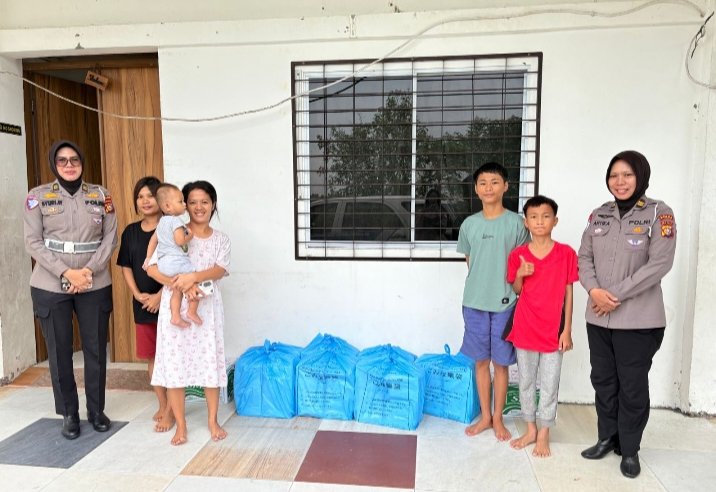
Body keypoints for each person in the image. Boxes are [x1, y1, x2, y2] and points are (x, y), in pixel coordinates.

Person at [578, 150, 676, 478]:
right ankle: (607, 437)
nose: (619, 182)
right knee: (603, 381)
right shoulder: (599, 215)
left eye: (627, 175)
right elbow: (584, 258)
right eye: (614, 175)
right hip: (598, 317)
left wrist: (614, 296)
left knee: (632, 387)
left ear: (641, 176)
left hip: (638, 321)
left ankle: (630, 449)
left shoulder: (659, 213)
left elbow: (659, 264)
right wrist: (594, 291)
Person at [23, 139, 117, 440]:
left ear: (82, 163)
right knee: (60, 351)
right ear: (54, 164)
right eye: (62, 160)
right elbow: (32, 242)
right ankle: (69, 413)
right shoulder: (38, 197)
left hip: (94, 282)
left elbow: (110, 238)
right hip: (51, 284)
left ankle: (96, 410)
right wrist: (67, 272)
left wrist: (87, 271)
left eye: (74, 159)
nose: (69, 165)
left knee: (95, 350)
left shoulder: (100, 195)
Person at [146, 180, 230, 446]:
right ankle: (180, 425)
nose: (198, 207)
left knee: (209, 362)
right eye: (192, 202)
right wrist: (179, 283)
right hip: (176, 308)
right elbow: (151, 267)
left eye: (204, 201)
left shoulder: (221, 239)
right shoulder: (173, 232)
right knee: (175, 365)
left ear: (213, 205)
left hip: (206, 308)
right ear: (183, 205)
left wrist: (193, 278)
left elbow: (220, 270)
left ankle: (212, 420)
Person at [457, 162, 529, 441]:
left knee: (501, 364)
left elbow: (522, 265)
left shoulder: (517, 224)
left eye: (495, 182)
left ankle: (498, 418)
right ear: (476, 189)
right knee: (480, 362)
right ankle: (485, 417)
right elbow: (471, 262)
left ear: (506, 186)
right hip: (474, 303)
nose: (489, 187)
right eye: (483, 183)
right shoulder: (469, 225)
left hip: (505, 305)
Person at [505, 195, 578, 457]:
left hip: (553, 331)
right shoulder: (518, 255)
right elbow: (516, 290)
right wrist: (520, 275)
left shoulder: (566, 253)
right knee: (525, 382)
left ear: (555, 221)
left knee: (550, 383)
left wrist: (566, 330)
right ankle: (530, 429)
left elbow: (569, 292)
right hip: (525, 327)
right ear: (525, 222)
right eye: (533, 217)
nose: (539, 221)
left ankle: (545, 432)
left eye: (545, 216)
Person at [116, 176, 173, 431]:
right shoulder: (130, 232)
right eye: (140, 196)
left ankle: (172, 409)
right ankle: (163, 404)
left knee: (171, 356)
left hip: (170, 302)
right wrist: (138, 294)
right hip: (142, 305)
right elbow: (126, 266)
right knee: (152, 357)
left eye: (150, 195)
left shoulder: (172, 230)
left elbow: (181, 267)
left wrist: (160, 296)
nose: (145, 201)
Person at [146, 183, 202, 328]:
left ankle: (175, 316)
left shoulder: (161, 223)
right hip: (176, 261)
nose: (184, 205)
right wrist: (189, 235)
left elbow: (153, 240)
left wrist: (148, 258)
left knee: (176, 291)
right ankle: (192, 311)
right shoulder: (176, 221)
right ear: (168, 206)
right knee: (194, 281)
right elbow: (179, 240)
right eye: (180, 201)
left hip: (164, 264)